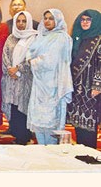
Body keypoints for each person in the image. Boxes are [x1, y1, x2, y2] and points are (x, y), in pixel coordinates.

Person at [26, 9, 74, 145]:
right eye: (45, 18)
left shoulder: (62, 38)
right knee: (38, 118)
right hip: (39, 83)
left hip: (54, 83)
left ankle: (51, 149)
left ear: (57, 20)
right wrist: (30, 59)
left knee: (51, 119)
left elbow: (50, 60)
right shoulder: (41, 36)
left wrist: (33, 61)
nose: (47, 21)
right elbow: (30, 51)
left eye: (51, 18)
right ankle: (42, 147)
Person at [1, 11, 38, 145]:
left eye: (24, 21)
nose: (21, 24)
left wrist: (18, 68)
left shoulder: (34, 38)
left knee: (23, 108)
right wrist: (10, 69)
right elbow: (5, 55)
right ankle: (16, 135)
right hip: (10, 79)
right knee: (13, 108)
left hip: (25, 79)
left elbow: (33, 58)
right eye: (18, 21)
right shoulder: (11, 37)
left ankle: (24, 137)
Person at [68, 10, 101, 148]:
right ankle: (80, 151)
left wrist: (97, 85)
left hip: (91, 89)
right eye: (82, 19)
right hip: (77, 87)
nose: (85, 22)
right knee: (78, 122)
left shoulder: (99, 39)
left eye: (88, 20)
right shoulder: (78, 37)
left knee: (89, 123)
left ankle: (89, 153)